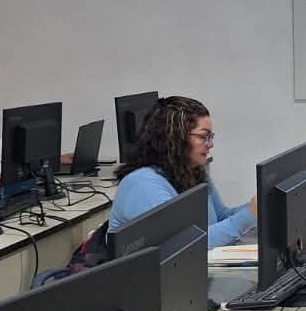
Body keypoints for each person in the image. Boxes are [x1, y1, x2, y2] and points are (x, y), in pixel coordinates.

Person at [109, 96, 256, 248]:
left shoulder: (193, 171)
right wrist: (247, 217)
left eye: (210, 137)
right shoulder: (144, 184)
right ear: (175, 138)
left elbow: (220, 217)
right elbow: (182, 244)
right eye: (203, 136)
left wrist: (258, 208)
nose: (210, 144)